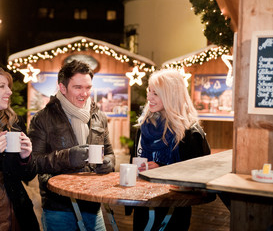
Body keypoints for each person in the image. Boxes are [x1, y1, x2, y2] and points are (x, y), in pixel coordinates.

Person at [0, 65, 88, 231]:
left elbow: (27, 175)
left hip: (15, 208)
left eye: (8, 86)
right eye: (2, 86)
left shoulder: (13, 122)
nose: (10, 92)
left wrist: (26, 157)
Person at [28, 60, 115, 231]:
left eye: (88, 87)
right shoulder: (42, 118)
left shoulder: (99, 116)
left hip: (93, 205)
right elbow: (33, 163)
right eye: (78, 87)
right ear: (62, 87)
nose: (84, 93)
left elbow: (110, 153)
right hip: (59, 208)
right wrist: (67, 157)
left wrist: (109, 163)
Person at [130, 69, 211, 231]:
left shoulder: (190, 133)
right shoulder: (144, 127)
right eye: (149, 91)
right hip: (142, 205)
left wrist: (162, 169)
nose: (149, 98)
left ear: (171, 96)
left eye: (156, 94)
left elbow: (200, 178)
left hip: (174, 210)